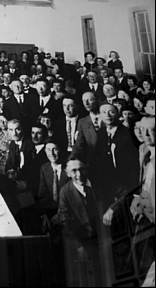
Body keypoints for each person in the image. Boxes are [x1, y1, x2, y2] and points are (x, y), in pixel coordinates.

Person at [53, 157, 102, 286]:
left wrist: (112, 210)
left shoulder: (99, 182)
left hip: (106, 235)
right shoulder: (65, 192)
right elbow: (65, 222)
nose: (79, 175)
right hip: (84, 240)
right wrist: (79, 244)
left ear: (87, 169)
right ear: (67, 173)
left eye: (81, 169)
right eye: (74, 171)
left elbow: (123, 192)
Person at [92, 103, 139, 226]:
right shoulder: (101, 133)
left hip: (126, 184)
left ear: (118, 115)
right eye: (104, 112)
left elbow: (133, 166)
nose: (107, 115)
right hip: (108, 185)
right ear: (100, 116)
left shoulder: (127, 134)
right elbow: (97, 161)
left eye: (111, 112)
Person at [37, 139, 69, 233]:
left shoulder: (69, 167)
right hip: (52, 211)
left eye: (55, 149)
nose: (51, 153)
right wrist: (45, 215)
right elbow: (42, 196)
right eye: (48, 150)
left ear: (61, 150)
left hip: (69, 211)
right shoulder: (44, 168)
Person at [73, 91, 101, 166]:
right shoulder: (83, 122)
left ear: (97, 101)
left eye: (90, 100)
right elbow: (79, 145)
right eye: (84, 101)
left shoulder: (107, 117)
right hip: (93, 163)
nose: (86, 103)